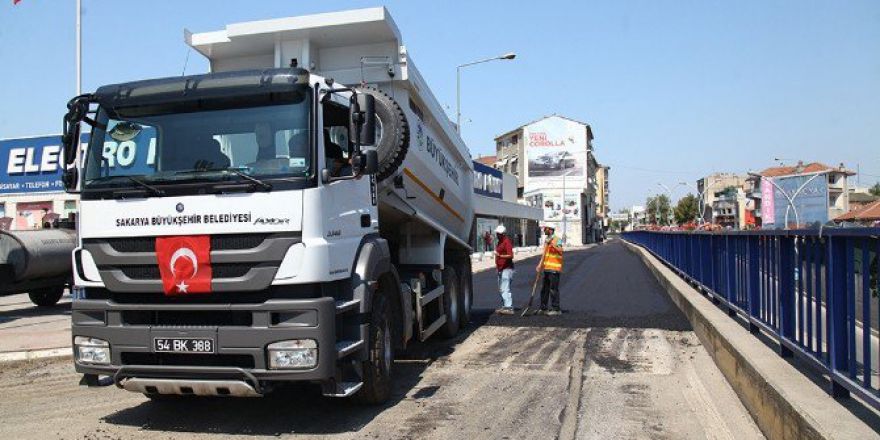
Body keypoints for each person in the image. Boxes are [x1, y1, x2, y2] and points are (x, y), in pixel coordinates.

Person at [536, 225, 563, 316]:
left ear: (550, 230)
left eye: (546, 229)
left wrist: (551, 244)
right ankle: (543, 308)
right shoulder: (546, 240)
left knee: (553, 289)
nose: (544, 230)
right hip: (547, 268)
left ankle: (556, 309)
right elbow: (544, 254)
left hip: (554, 268)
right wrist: (540, 264)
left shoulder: (557, 239)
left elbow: (561, 250)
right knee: (544, 289)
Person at [494, 224, 515, 315]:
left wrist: (500, 256)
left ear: (503, 234)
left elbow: (511, 255)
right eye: (497, 233)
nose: (497, 235)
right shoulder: (499, 242)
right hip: (501, 269)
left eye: (498, 234)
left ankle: (508, 307)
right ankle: (505, 306)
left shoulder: (506, 242)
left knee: (505, 288)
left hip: (507, 269)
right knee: (501, 289)